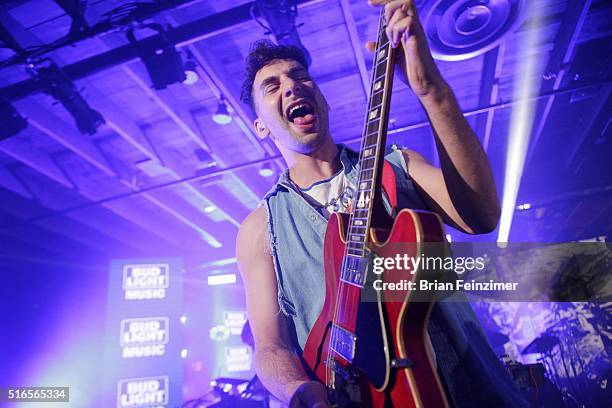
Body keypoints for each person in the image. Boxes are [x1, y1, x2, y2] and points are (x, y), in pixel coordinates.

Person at [236, 1, 526, 406]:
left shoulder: (398, 166)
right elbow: (269, 346)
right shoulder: (259, 229)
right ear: (261, 126)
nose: (292, 86)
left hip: (466, 390)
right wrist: (298, 390)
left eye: (301, 77)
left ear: (323, 100)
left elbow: (481, 217)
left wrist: (432, 93)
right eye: (272, 85)